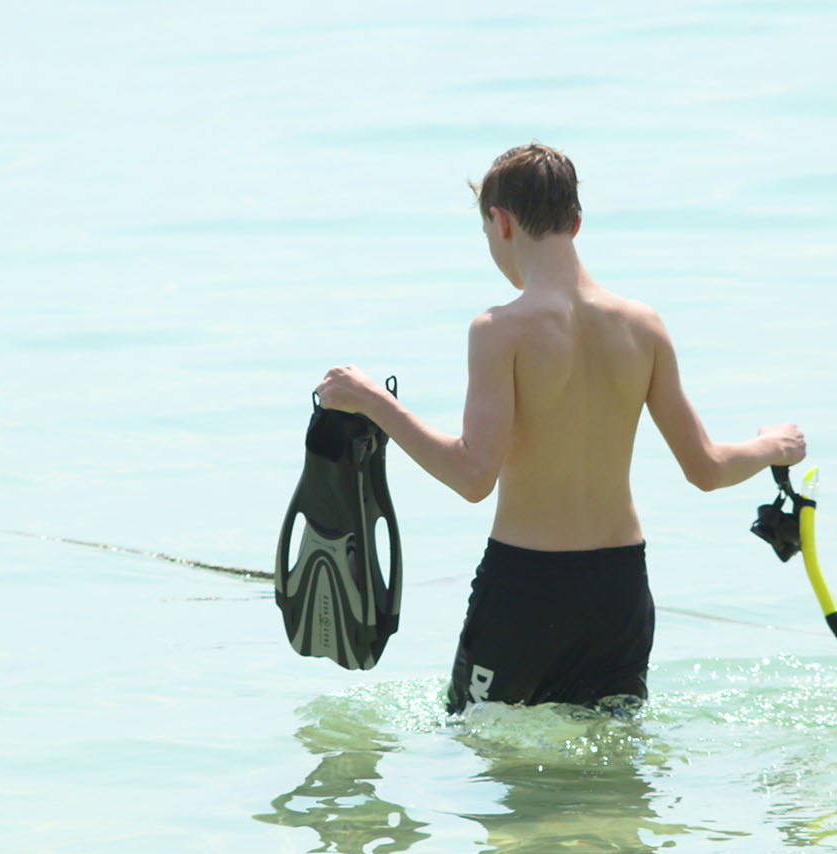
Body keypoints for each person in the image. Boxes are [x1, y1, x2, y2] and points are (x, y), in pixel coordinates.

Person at [314, 143, 805, 713]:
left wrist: (372, 399)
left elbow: (473, 476)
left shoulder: (500, 330)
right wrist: (775, 445)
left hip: (526, 586)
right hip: (619, 589)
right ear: (576, 221)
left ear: (500, 223)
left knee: (476, 748)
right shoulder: (644, 327)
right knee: (612, 771)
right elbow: (706, 467)